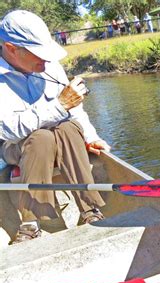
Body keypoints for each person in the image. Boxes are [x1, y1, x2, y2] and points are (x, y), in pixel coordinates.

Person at [0, 10, 110, 244]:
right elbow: (7, 130)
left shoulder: (49, 67)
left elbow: (75, 109)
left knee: (70, 128)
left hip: (61, 139)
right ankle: (31, 222)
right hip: (14, 148)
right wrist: (59, 105)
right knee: (42, 138)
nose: (46, 60)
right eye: (38, 53)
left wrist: (91, 136)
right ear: (10, 48)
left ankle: (91, 211)